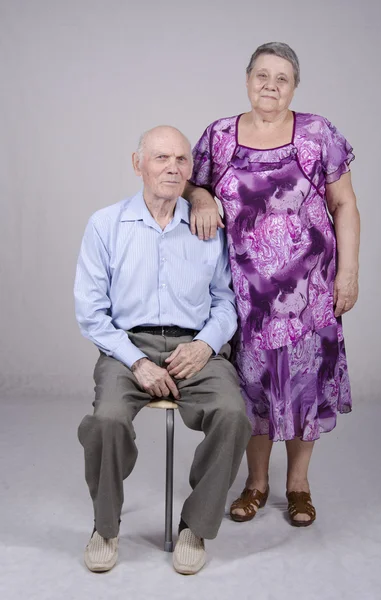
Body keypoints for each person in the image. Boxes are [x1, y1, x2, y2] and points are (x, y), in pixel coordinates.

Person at [185, 42, 360, 526]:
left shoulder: (317, 134)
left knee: (306, 385)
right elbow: (190, 181)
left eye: (282, 78)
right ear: (247, 80)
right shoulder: (219, 136)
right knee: (252, 389)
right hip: (248, 295)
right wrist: (201, 198)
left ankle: (298, 485)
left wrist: (348, 272)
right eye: (262, 75)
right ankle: (255, 483)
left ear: (295, 87)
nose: (270, 86)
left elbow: (345, 205)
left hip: (312, 292)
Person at [74, 126, 251, 574]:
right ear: (138, 165)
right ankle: (105, 525)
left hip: (194, 344)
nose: (172, 168)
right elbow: (92, 313)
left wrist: (206, 344)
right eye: (160, 158)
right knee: (106, 420)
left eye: (181, 160)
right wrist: (135, 360)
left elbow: (226, 301)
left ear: (191, 170)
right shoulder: (105, 224)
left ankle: (196, 525)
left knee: (234, 414)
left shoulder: (207, 224)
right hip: (126, 345)